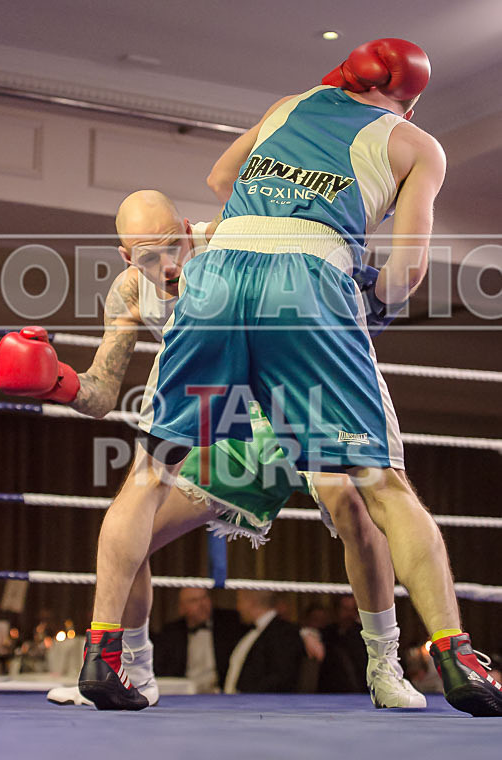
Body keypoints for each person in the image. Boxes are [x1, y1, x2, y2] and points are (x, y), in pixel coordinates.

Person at [69, 37, 502, 716]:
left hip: (223, 274)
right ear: (409, 99)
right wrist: (364, 301)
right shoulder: (418, 145)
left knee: (149, 474)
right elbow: (409, 270)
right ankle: (454, 654)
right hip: (308, 285)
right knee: (382, 486)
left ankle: (102, 650)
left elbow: (221, 181)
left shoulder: (288, 105)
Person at [0, 188, 424, 710]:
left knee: (355, 508)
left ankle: (385, 665)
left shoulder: (230, 241)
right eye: (150, 255)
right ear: (128, 258)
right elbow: (103, 393)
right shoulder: (130, 291)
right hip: (228, 421)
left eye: (174, 244)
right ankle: (133, 671)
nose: (169, 264)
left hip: (295, 393)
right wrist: (58, 383)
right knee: (130, 539)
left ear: (187, 226)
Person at [154, 587, 245, 692]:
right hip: (186, 695)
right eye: (194, 601)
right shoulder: (171, 632)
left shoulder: (230, 624)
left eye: (204, 598)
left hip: (221, 694)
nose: (202, 605)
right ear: (181, 608)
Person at [223, 591, 303, 693]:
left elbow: (281, 678)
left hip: (256, 705)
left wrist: (245, 697)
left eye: (239, 601)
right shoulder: (251, 631)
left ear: (251, 602)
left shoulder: (283, 632)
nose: (238, 607)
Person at [316, 595, 368, 695]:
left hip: (359, 693)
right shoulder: (327, 632)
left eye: (352, 609)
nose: (349, 614)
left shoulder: (364, 635)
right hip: (328, 691)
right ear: (336, 610)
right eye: (345, 609)